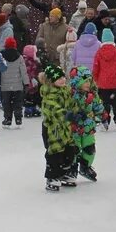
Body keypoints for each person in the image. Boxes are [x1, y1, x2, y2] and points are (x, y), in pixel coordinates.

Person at [40, 64, 78, 192]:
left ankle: (63, 173)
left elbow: (72, 104)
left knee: (70, 151)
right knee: (55, 153)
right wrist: (66, 114)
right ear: (51, 81)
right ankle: (52, 176)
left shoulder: (65, 91)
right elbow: (52, 108)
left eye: (63, 77)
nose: (62, 79)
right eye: (58, 78)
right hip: (53, 130)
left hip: (66, 128)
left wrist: (77, 112)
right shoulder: (48, 94)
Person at [68, 65, 105, 180]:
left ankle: (85, 166)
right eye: (85, 81)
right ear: (77, 81)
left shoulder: (92, 94)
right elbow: (66, 109)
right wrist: (72, 115)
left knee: (90, 148)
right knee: (74, 149)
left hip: (88, 128)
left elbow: (98, 106)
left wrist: (102, 113)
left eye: (89, 81)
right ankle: (72, 168)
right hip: (74, 129)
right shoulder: (70, 94)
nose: (88, 84)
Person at [93, 28, 116, 129]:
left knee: (104, 103)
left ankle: (105, 120)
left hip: (103, 82)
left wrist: (96, 78)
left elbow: (96, 67)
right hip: (115, 82)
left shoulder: (99, 52)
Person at [0, 37, 29, 129]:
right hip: (17, 85)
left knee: (6, 103)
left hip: (5, 86)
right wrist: (26, 83)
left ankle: (7, 119)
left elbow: (0, 70)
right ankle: (18, 118)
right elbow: (23, 71)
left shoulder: (1, 56)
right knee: (18, 103)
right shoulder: (19, 57)